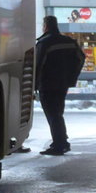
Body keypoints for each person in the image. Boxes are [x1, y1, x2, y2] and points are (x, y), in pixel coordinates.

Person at [34, 15, 86, 155]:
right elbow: (81, 58)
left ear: (45, 26)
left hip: (47, 84)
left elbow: (38, 65)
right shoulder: (68, 41)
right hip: (63, 83)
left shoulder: (44, 43)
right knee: (58, 112)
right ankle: (61, 140)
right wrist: (72, 76)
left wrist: (34, 85)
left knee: (53, 114)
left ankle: (60, 144)